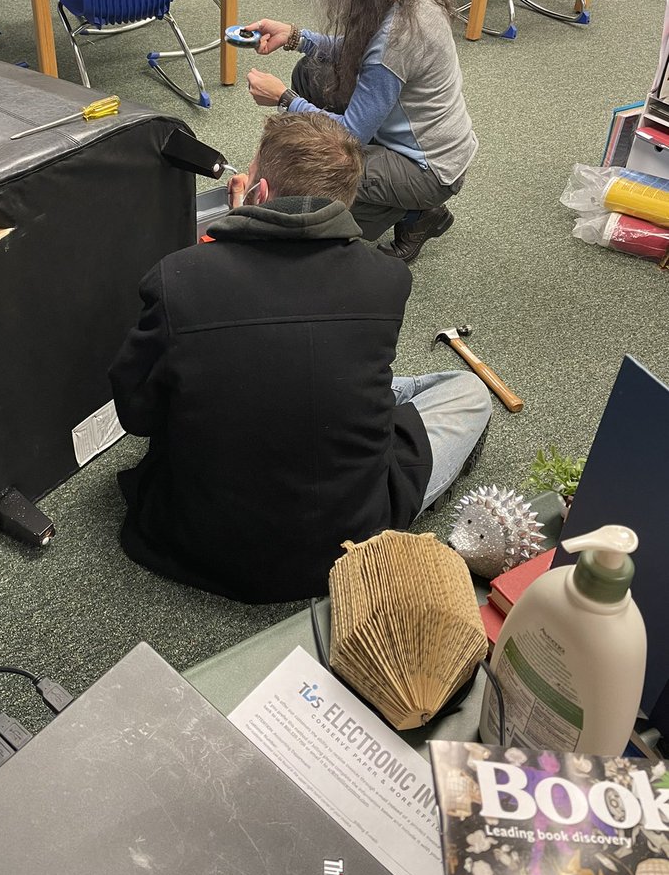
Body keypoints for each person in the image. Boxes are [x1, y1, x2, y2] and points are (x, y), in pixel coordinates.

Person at [108, 112, 492, 605]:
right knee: (467, 390)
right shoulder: (388, 278)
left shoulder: (177, 275)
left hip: (192, 539)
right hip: (348, 543)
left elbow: (136, 413)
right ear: (348, 202)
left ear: (260, 193)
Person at [244, 0, 478, 264]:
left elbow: (351, 134)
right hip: (418, 141)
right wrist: (296, 37)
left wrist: (284, 100)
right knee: (311, 71)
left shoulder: (398, 37)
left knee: (317, 168)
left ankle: (416, 212)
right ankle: (401, 205)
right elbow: (360, 51)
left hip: (429, 169)